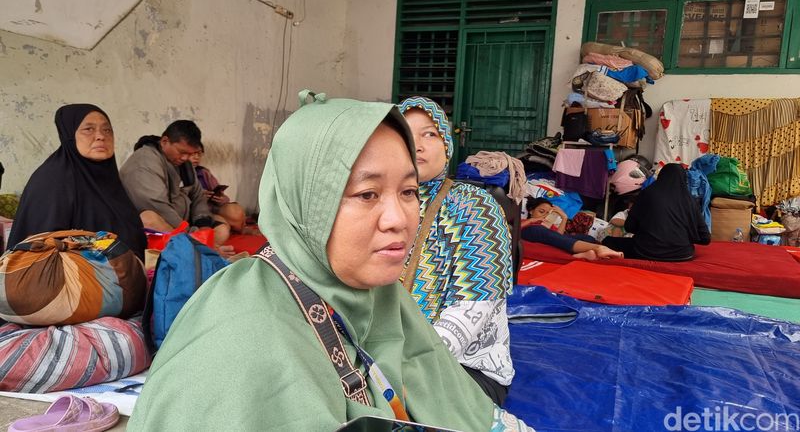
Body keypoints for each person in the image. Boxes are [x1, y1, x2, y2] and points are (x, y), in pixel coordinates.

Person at [127, 93, 534, 431]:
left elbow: (453, 394)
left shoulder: (382, 296)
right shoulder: (242, 336)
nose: (398, 219)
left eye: (408, 191)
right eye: (367, 194)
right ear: (306, 202)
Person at [399, 96, 514, 406]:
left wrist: (401, 366)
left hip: (462, 369)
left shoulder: (474, 206)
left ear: (447, 144)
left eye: (429, 134)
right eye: (406, 135)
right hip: (387, 357)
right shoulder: (386, 206)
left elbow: (473, 308)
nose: (418, 145)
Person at [7, 104, 146, 259]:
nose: (101, 136)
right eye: (89, 129)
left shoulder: (107, 179)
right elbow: (43, 248)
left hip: (121, 276)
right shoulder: (54, 180)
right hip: (72, 279)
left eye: (107, 130)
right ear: (70, 135)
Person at [119, 120, 232, 254]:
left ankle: (194, 247)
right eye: (182, 152)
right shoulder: (144, 162)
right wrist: (193, 235)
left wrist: (203, 227)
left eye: (190, 154)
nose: (186, 158)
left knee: (222, 229)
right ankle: (195, 248)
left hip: (182, 225)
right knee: (149, 218)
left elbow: (198, 197)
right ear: (165, 141)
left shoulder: (184, 163)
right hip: (159, 224)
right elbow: (158, 207)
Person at [602, 163, 711, 261]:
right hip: (682, 255)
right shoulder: (690, 200)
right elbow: (705, 238)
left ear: (661, 176)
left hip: (646, 252)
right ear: (684, 179)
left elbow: (629, 227)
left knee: (608, 241)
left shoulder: (647, 194)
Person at [521, 197, 623, 260]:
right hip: (531, 231)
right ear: (531, 211)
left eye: (548, 213)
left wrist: (564, 217)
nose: (544, 215)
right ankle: (598, 248)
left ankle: (580, 255)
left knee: (587, 238)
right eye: (541, 211)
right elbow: (512, 229)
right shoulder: (524, 222)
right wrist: (531, 221)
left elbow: (558, 237)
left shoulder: (548, 225)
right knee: (540, 230)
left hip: (550, 236)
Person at [188, 143, 246, 232]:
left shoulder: (204, 172)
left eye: (199, 154)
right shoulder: (179, 172)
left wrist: (220, 198)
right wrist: (198, 196)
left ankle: (241, 230)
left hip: (212, 208)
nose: (196, 157)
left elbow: (225, 198)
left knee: (236, 211)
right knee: (223, 228)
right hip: (195, 213)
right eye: (192, 154)